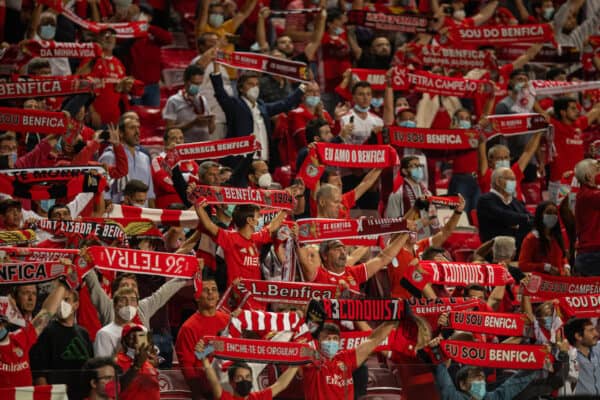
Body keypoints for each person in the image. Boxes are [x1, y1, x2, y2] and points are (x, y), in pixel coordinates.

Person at [210, 61, 306, 162]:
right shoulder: (235, 105)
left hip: (263, 159)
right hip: (242, 161)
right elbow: (220, 92)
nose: (254, 88)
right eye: (250, 84)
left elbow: (285, 104)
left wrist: (303, 87)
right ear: (241, 88)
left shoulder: (262, 107)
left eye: (257, 85)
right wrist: (216, 68)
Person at [301, 321, 397, 399]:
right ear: (318, 341)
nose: (331, 342)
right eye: (327, 338)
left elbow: (374, 339)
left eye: (335, 338)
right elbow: (300, 352)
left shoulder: (345, 358)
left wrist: (393, 319)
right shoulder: (312, 360)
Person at [0, 278, 68, 388]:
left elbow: (47, 311)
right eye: (26, 293)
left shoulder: (20, 338)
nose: (31, 298)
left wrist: (65, 283)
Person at [30, 288, 93, 398]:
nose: (61, 304)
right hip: (57, 395)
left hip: (81, 395)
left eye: (66, 299)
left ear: (76, 305)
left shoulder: (84, 333)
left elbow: (91, 368)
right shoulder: (46, 332)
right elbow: (40, 372)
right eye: (59, 300)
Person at [175, 276, 230, 399]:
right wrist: (198, 395)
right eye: (206, 290)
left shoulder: (229, 320)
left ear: (218, 296)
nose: (210, 293)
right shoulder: (188, 328)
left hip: (229, 388)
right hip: (206, 392)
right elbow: (187, 367)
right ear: (197, 297)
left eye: (214, 289)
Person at [197, 346, 299, 400]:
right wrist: (204, 352)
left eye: (247, 377)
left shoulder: (258, 398)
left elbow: (281, 384)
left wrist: (298, 362)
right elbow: (213, 381)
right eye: (239, 378)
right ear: (232, 382)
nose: (244, 380)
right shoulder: (226, 398)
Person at [99, 115, 156, 207]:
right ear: (121, 133)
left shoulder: (144, 157)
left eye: (138, 127)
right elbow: (104, 191)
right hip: (118, 212)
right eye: (132, 128)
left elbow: (150, 194)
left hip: (142, 214)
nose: (137, 132)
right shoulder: (110, 156)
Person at [476, 167, 532, 251]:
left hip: (517, 249)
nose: (513, 182)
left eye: (514, 179)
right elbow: (505, 216)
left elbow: (532, 219)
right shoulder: (486, 200)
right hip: (495, 251)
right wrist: (523, 219)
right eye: (510, 179)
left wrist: (518, 221)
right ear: (498, 182)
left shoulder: (515, 202)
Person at [386, 155, 440, 239]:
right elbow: (393, 226)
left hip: (425, 242)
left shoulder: (428, 193)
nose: (419, 169)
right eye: (414, 166)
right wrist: (421, 223)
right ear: (404, 171)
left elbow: (434, 219)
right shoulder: (397, 194)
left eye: (419, 166)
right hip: (406, 242)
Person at [162, 64, 215, 143]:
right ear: (185, 81)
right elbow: (169, 130)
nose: (197, 87)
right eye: (194, 83)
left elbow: (210, 130)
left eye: (199, 84)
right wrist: (193, 123)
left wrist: (212, 121)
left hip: (203, 145)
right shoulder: (173, 100)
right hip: (186, 145)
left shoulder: (202, 99)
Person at [518, 201, 570, 275]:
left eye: (555, 213)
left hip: (559, 281)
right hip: (541, 281)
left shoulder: (557, 236)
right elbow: (523, 265)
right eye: (548, 213)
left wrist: (566, 266)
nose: (552, 216)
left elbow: (562, 257)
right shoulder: (531, 238)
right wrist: (545, 267)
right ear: (540, 215)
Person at [115, 324, 159, 400]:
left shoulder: (149, 361)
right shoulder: (117, 361)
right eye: (132, 337)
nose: (136, 341)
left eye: (140, 336)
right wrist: (136, 366)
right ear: (124, 341)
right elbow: (115, 388)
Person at [573, 158, 600, 275]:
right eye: (598, 170)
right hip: (592, 256)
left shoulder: (589, 193)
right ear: (589, 176)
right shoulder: (587, 195)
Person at [564, 318, 600, 395]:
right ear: (578, 336)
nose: (596, 334)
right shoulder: (569, 356)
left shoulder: (597, 349)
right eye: (591, 331)